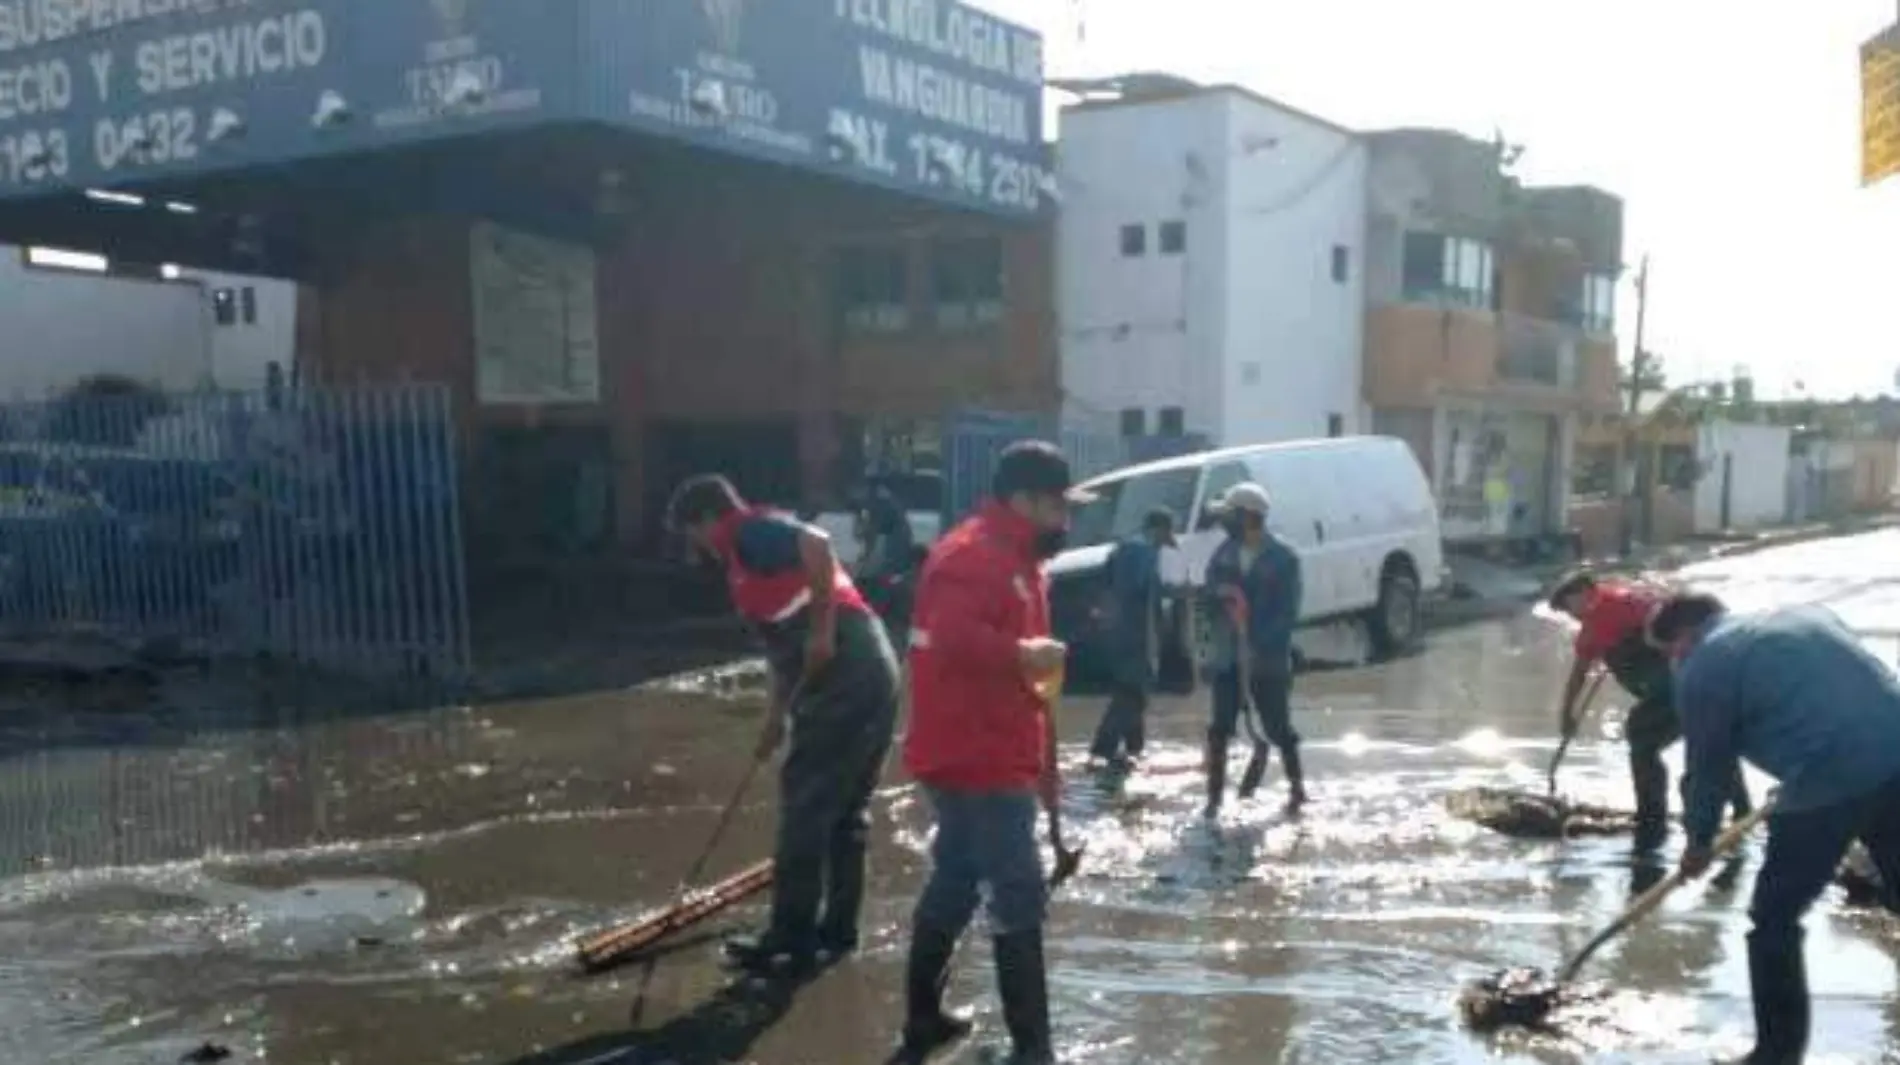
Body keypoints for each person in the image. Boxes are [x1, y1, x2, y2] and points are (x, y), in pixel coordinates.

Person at [664, 473, 900, 978]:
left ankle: (789, 936)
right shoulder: (742, 562)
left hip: (848, 663)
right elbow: (783, 657)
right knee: (844, 810)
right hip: (870, 668)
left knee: (805, 803)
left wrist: (822, 632)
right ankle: (836, 931)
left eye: (692, 533)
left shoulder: (748, 532)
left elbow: (817, 543)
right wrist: (775, 718)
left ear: (708, 518)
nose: (696, 546)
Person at [1651, 594, 1900, 1065]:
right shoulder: (1807, 614)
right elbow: (1844, 695)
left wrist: (1699, 842)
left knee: (1773, 920)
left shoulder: (1702, 666)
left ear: (1682, 637)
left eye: (1669, 653)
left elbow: (1707, 768)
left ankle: (1775, 1054)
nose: (1673, 663)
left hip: (1827, 781)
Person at [894, 441, 1072, 1065]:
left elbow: (1031, 669)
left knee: (958, 877)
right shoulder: (974, 557)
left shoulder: (1019, 560)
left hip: (989, 744)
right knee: (1017, 890)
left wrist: (1045, 768)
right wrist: (1022, 655)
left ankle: (923, 1021)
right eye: (1055, 506)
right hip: (976, 752)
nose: (1064, 521)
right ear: (1022, 500)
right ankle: (1034, 1050)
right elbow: (949, 636)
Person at [1548, 571, 1752, 849]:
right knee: (1708, 741)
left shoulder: (1623, 604)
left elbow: (1672, 626)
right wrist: (1567, 712)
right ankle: (1741, 809)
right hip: (1690, 686)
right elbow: (1579, 673)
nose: (1570, 615)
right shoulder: (1592, 632)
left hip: (1679, 685)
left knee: (1641, 734)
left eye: (1568, 605)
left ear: (1586, 592)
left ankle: (1652, 820)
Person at [1200, 482, 1306, 819]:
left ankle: (1296, 789)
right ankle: (1213, 800)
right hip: (1228, 658)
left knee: (1278, 729)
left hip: (1268, 660)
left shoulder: (1284, 559)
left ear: (1248, 518)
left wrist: (1259, 645)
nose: (1224, 523)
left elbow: (1287, 613)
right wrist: (1220, 597)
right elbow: (1208, 598)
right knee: (1219, 728)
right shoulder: (1223, 555)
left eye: (1231, 516)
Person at [1087, 507, 1176, 769]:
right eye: (1166, 533)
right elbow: (1145, 590)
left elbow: (1105, 587)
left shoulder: (1122, 548)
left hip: (1114, 633)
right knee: (1132, 693)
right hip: (1135, 635)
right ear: (1158, 529)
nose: (1166, 541)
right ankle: (1102, 750)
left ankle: (1135, 749)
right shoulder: (1144, 553)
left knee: (1134, 689)